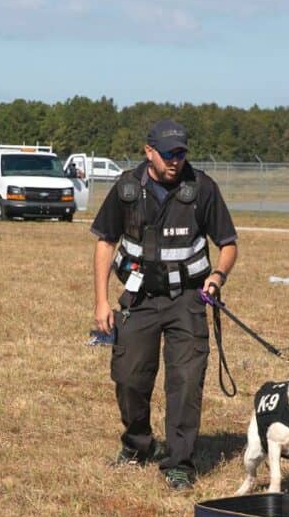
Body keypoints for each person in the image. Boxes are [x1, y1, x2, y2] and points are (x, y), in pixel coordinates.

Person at [90, 120, 238, 491]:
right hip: (139, 299)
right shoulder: (126, 188)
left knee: (185, 382)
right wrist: (101, 301)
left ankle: (179, 462)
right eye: (169, 153)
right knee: (128, 378)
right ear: (149, 152)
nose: (176, 160)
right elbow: (105, 243)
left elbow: (229, 244)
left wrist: (217, 277)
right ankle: (138, 444)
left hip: (187, 300)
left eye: (181, 153)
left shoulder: (202, 188)